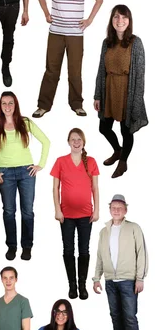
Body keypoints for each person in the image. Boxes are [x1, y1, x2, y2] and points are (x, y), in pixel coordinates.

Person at [32, 0, 103, 118]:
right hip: (55, 32)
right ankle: (43, 106)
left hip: (76, 35)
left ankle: (77, 105)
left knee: (75, 71)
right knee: (51, 71)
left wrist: (89, 20)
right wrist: (46, 14)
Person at [0, 92, 50, 261]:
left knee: (27, 212)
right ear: (0, 106)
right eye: (4, 103)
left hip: (27, 172)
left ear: (15, 104)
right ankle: (12, 246)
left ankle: (27, 247)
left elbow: (46, 141)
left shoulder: (25, 123)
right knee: (9, 211)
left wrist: (40, 164)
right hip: (6, 173)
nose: (7, 106)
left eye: (10, 103)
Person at [93, 194, 147, 330]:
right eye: (113, 207)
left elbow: (142, 253)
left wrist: (140, 278)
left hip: (128, 280)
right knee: (115, 317)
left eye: (119, 207)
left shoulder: (134, 228)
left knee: (130, 318)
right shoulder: (104, 231)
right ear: (109, 209)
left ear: (125, 210)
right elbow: (100, 256)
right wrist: (96, 278)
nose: (116, 210)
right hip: (110, 281)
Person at [93, 5, 148, 178]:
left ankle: (123, 162)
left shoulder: (135, 42)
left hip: (127, 92)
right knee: (104, 127)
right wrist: (97, 95)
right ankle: (118, 151)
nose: (120, 21)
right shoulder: (106, 42)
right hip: (109, 89)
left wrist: (137, 101)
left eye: (124, 17)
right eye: (116, 17)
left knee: (126, 131)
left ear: (129, 21)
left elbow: (140, 75)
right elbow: (101, 69)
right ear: (112, 20)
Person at [51, 128, 99, 300]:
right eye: (73, 139)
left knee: (84, 250)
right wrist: (57, 209)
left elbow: (95, 188)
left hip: (86, 214)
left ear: (83, 142)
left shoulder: (91, 161)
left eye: (79, 139)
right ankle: (72, 285)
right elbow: (55, 188)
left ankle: (82, 284)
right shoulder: (60, 161)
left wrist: (97, 209)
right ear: (68, 141)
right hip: (66, 215)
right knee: (68, 249)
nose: (76, 142)